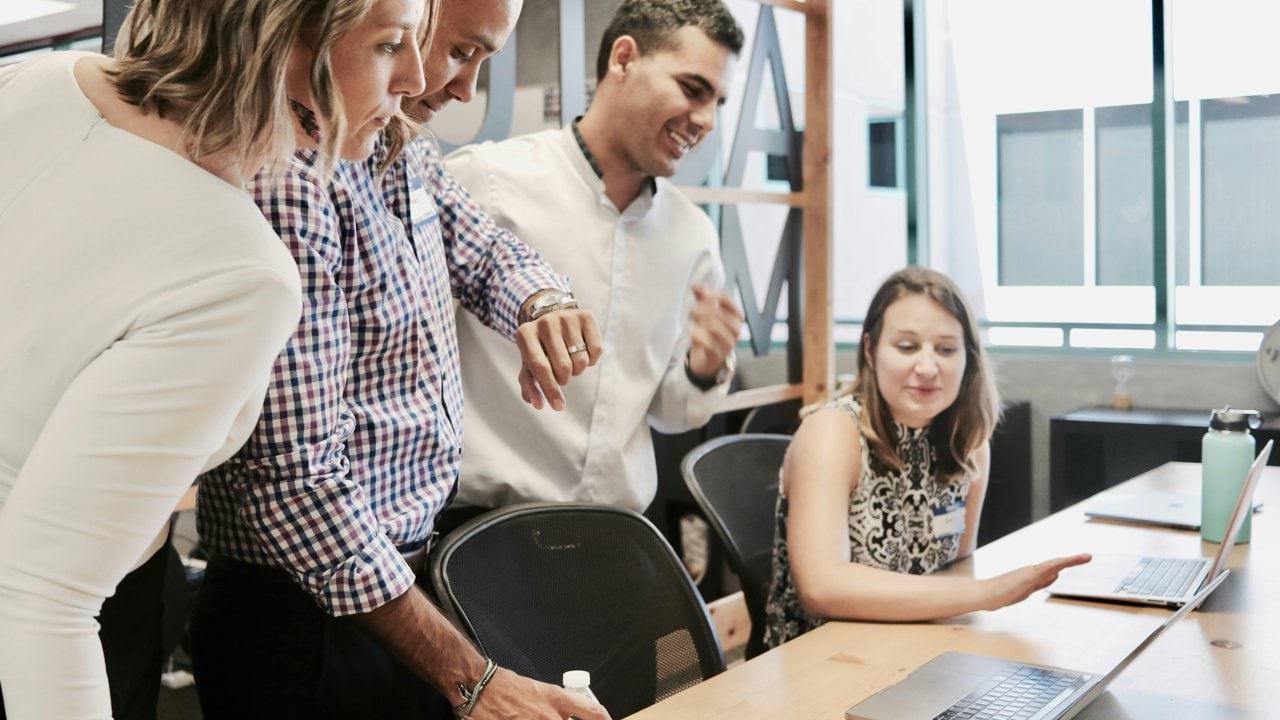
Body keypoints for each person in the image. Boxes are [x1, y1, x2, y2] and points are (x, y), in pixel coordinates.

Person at [0, 0, 423, 714]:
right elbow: (42, 599)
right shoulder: (240, 272)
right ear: (280, 39)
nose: (413, 77)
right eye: (390, 45)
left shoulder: (38, 83)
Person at [190, 0, 609, 717]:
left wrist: (541, 303)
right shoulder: (289, 179)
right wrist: (471, 679)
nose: (450, 85)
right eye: (459, 51)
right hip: (305, 617)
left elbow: (483, 249)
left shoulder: (397, 144)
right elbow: (297, 484)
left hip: (395, 589)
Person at [435, 0, 746, 525]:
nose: (707, 121)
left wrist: (702, 369)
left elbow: (670, 411)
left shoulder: (692, 235)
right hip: (478, 530)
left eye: (718, 101)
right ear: (623, 58)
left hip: (617, 539)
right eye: (693, 89)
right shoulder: (484, 182)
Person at [763, 268, 1091, 648]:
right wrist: (989, 594)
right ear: (870, 350)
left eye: (947, 349)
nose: (928, 367)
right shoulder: (833, 431)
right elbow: (821, 587)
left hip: (915, 644)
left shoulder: (968, 442)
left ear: (968, 358)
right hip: (818, 659)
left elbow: (954, 571)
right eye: (906, 347)